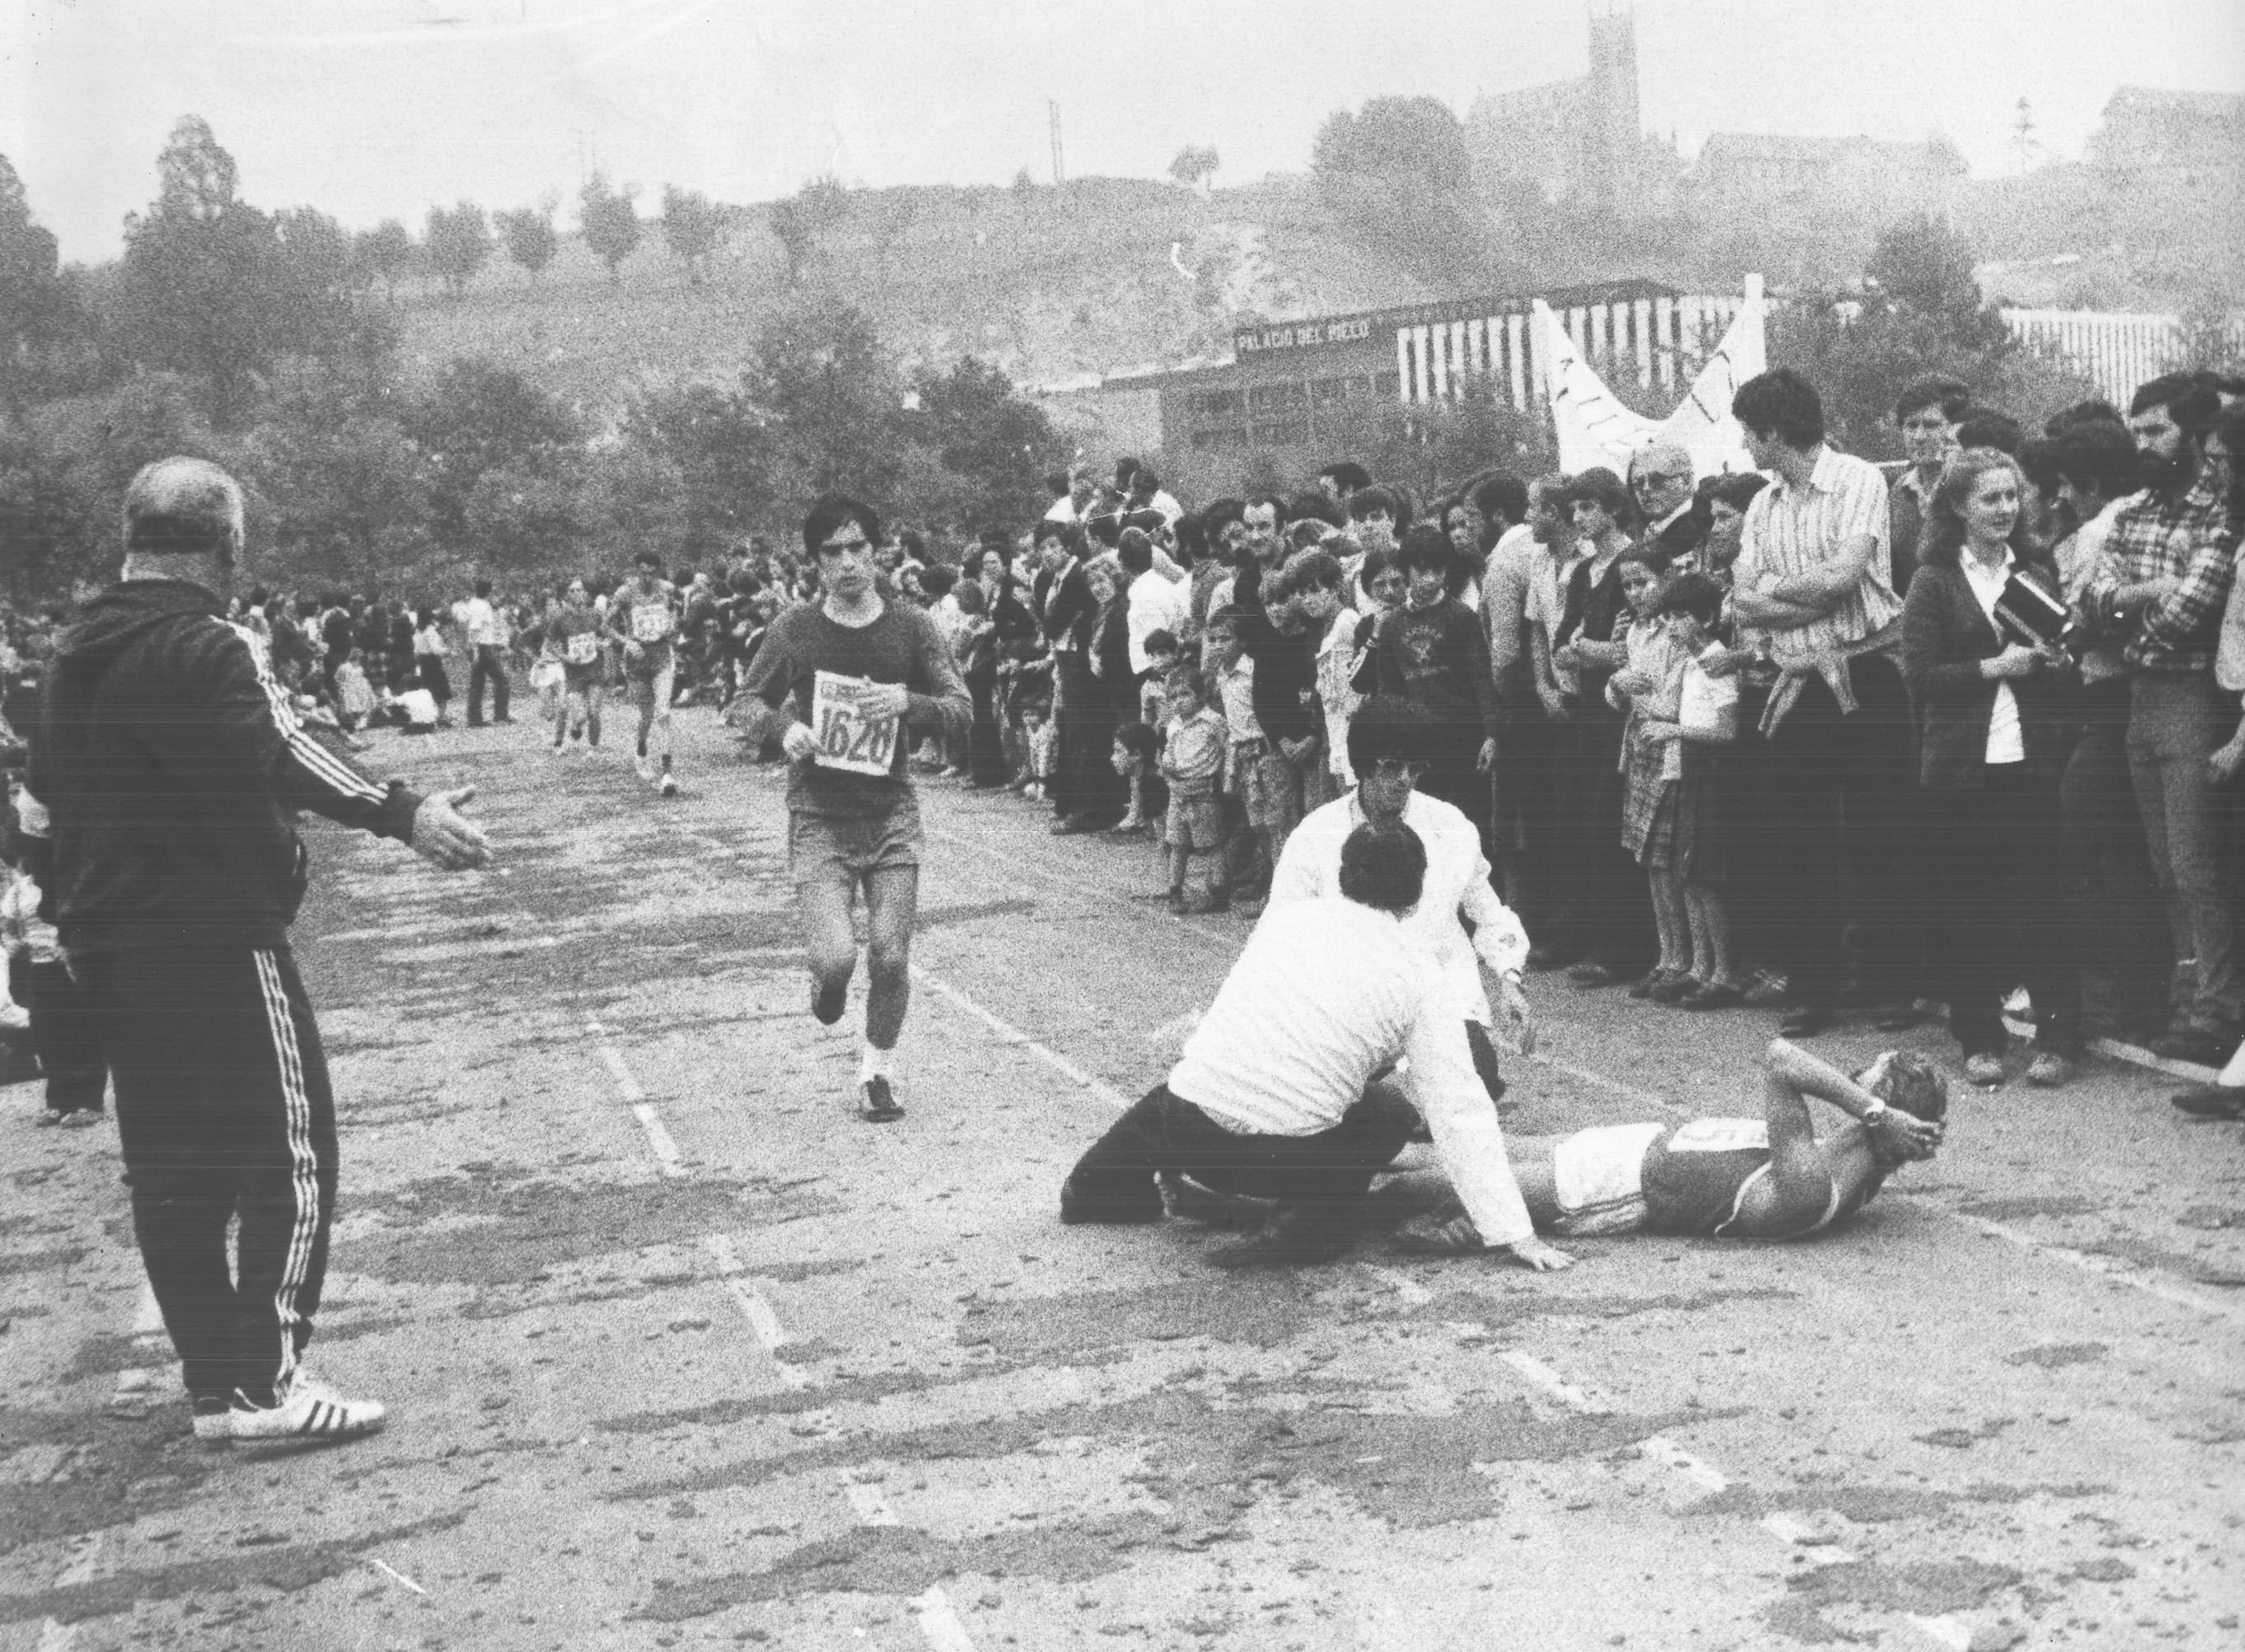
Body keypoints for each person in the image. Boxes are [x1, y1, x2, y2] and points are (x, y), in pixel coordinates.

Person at [20, 456, 490, 1448]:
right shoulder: (205, 641)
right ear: (228, 546)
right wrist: (404, 810)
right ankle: (270, 1383)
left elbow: (43, 804)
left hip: (107, 944)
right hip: (217, 935)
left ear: (131, 538)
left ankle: (217, 1391)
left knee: (173, 1173)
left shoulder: (70, 654)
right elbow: (280, 745)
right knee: (292, 1153)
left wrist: (60, 916)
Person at [1059, 818, 1571, 1272]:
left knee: (1180, 1091)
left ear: (1342, 876)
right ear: (1417, 895)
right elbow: (1458, 1109)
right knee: (1388, 1112)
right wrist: (1514, 1231)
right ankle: (1307, 1227)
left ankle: (1093, 1189)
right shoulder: (1423, 974)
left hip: (1189, 1133)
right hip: (1279, 1162)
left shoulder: (1285, 923)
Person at [740, 494, 970, 1124]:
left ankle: (876, 1073)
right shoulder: (794, 628)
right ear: (816, 561)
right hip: (819, 816)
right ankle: (826, 980)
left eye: (857, 547)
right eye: (832, 551)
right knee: (838, 957)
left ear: (877, 551)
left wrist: (907, 703)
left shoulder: (911, 626)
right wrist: (783, 728)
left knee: (890, 954)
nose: (846, 562)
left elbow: (961, 708)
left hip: (890, 812)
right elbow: (744, 701)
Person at [1728, 367, 1913, 1039]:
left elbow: (1843, 578)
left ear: (1774, 431)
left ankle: (1891, 983)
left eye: (1748, 432)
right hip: (1798, 683)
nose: (1745, 445)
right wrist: (1793, 597)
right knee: (1797, 841)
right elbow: (1740, 599)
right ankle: (1815, 987)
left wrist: (1774, 592)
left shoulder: (1859, 479)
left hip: (1866, 675)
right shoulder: (1761, 503)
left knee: (1878, 837)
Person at [1394, 1040, 1947, 1251]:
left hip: (1615, 1185)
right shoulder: (1852, 1156)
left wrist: (1877, 1113)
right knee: (1470, 1145)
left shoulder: (1813, 1188)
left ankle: (1347, 1195)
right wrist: (1888, 1121)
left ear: (1883, 1111)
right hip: (1634, 1146)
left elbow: (1781, 1060)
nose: (1853, 1080)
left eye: (1868, 1076)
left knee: (1432, 1180)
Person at [1903, 449, 2083, 1087]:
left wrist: (2057, 662)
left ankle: (2059, 1039)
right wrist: (1993, 668)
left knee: (2040, 905)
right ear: (1957, 506)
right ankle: (1979, 1039)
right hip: (1961, 770)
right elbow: (1920, 675)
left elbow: (2056, 664)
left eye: (2011, 495)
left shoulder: (2034, 569)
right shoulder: (1933, 580)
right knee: (1968, 909)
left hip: (2029, 766)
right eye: (1990, 498)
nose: (2005, 508)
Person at [2083, 374, 2241, 1067]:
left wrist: (2122, 613)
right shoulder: (2132, 510)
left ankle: (2218, 1007)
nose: (2142, 443)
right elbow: (2090, 600)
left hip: (2189, 698)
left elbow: (2191, 612)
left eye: (2155, 430)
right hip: (2141, 701)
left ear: (2190, 433)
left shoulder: (2219, 510)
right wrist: (2146, 594)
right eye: (2136, 430)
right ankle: (2189, 999)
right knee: (2162, 865)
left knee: (2194, 863)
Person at [1269, 695, 1532, 1106]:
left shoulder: (1450, 826)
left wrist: (1510, 980)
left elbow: (1490, 915)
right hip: (1349, 1008)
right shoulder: (1314, 836)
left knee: (1467, 1090)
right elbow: (1281, 935)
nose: (1405, 780)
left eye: (1416, 768)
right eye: (1392, 767)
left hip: (1438, 1003)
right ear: (1363, 765)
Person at [1376, 526, 1499, 852]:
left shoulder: (1462, 617)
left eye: (1437, 570)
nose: (1430, 579)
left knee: (1473, 826)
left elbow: (1482, 680)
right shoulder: (1392, 626)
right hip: (1419, 743)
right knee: (1424, 827)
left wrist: (1491, 735)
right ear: (1406, 572)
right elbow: (1388, 688)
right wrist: (1393, 739)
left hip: (1465, 738)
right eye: (1421, 570)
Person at [607, 550, 684, 797]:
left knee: (664, 713)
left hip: (661, 656)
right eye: (643, 572)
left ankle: (667, 774)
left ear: (658, 571)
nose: (648, 577)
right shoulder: (625, 592)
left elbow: (679, 611)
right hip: (637, 660)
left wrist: (673, 625)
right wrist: (627, 642)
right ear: (637, 571)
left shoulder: (668, 589)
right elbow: (606, 625)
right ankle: (641, 751)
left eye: (652, 572)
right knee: (647, 715)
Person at [1889, 377, 1971, 597]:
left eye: (1931, 425)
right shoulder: (1900, 492)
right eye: (1911, 426)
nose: (1919, 437)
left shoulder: (1969, 488)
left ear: (1954, 429)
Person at [1159, 668, 1230, 913]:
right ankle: (1175, 891)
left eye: (1185, 694)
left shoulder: (1213, 721)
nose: (1179, 701)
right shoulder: (1173, 725)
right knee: (1177, 843)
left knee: (1211, 843)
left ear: (1200, 695)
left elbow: (1226, 749)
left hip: (1203, 790)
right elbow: (1169, 752)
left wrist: (1227, 779)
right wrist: (1168, 768)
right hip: (1178, 790)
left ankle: (1218, 893)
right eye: (1173, 697)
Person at [544, 578, 606, 751]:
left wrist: (603, 643)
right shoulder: (559, 618)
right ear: (566, 595)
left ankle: (593, 749)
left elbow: (604, 633)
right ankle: (576, 726)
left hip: (594, 667)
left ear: (586, 593)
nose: (577, 594)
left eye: (580, 590)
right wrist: (566, 658)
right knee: (580, 717)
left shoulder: (594, 614)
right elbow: (550, 645)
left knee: (594, 712)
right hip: (574, 672)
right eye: (572, 591)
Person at [461, 578, 511, 728]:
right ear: (488, 592)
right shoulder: (481, 607)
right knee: (501, 680)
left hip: (481, 646)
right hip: (482, 647)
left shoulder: (474, 604)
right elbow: (474, 629)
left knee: (477, 682)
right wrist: (476, 650)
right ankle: (500, 714)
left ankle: (474, 717)